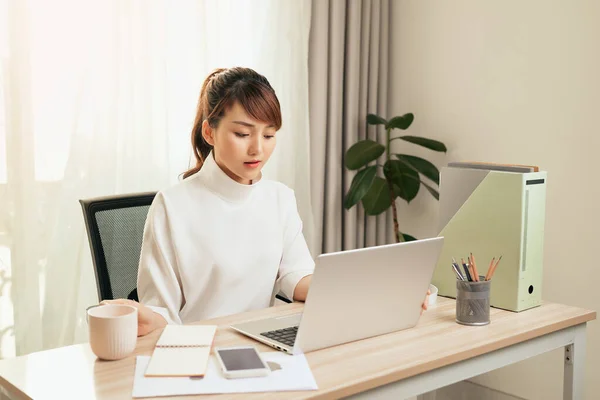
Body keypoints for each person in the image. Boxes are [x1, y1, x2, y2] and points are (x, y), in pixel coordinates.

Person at [102, 67, 429, 337]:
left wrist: (384, 292)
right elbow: (161, 310)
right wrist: (146, 319)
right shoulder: (172, 207)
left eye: (269, 135)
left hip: (262, 344)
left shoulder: (279, 198)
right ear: (209, 132)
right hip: (198, 351)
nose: (258, 149)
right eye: (243, 134)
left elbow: (298, 277)